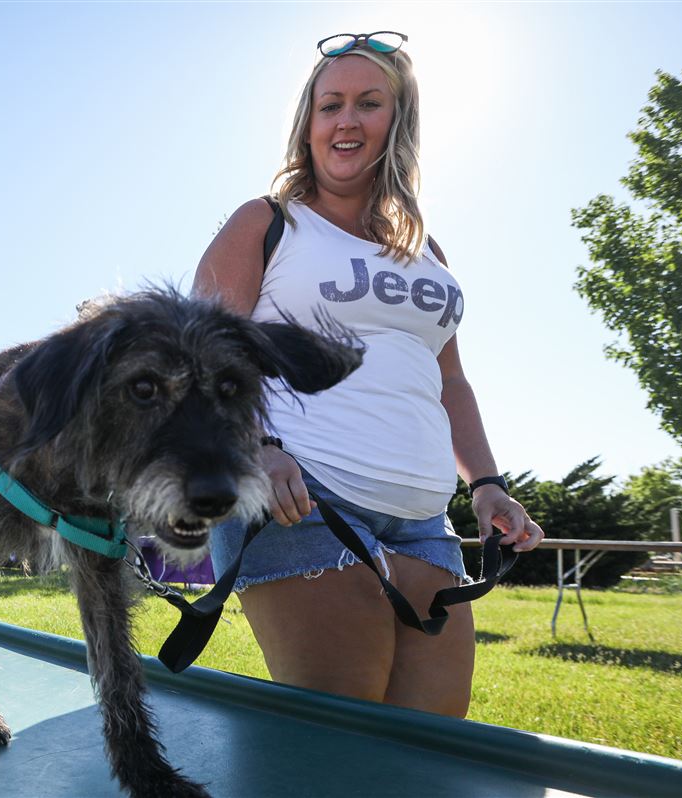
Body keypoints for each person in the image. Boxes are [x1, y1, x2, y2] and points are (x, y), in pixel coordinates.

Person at [192, 31, 544, 717]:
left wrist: (488, 486)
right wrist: (255, 448)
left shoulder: (426, 249)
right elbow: (204, 354)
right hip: (300, 497)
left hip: (423, 518)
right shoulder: (267, 223)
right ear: (308, 124)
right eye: (329, 106)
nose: (346, 121)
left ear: (398, 120)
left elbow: (450, 383)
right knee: (342, 740)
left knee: (429, 745)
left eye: (368, 103)